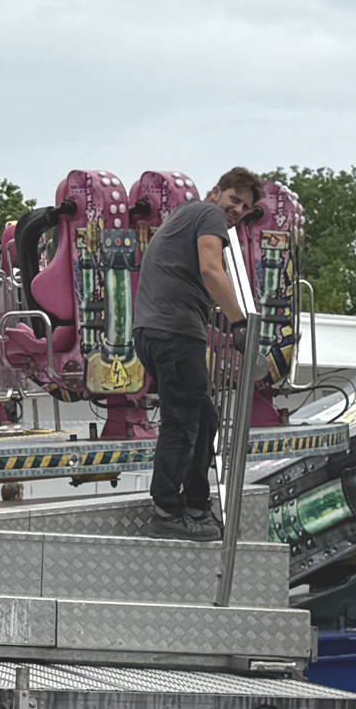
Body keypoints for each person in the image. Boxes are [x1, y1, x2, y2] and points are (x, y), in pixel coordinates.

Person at [130, 167, 262, 534]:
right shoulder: (209, 215)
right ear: (216, 192)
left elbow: (191, 278)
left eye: (246, 207)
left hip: (153, 330)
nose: (238, 211)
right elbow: (211, 270)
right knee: (183, 421)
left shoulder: (185, 215)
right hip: (175, 332)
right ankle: (168, 512)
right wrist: (240, 323)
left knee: (203, 419)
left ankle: (196, 503)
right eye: (234, 200)